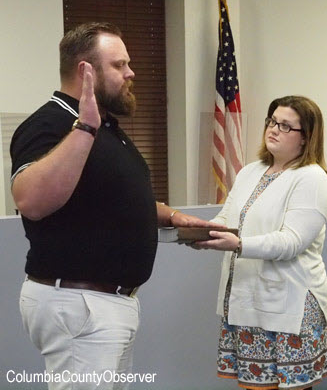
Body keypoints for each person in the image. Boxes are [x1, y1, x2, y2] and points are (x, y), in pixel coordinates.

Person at [10, 22, 214, 389]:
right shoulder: (51, 123)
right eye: (119, 65)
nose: (131, 72)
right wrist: (84, 128)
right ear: (85, 71)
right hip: (78, 303)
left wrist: (169, 216)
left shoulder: (106, 126)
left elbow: (110, 195)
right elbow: (31, 201)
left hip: (106, 304)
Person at [194, 95, 327, 390]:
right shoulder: (250, 171)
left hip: (290, 309)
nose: (273, 129)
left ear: (305, 137)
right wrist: (200, 231)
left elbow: (291, 242)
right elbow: (227, 218)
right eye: (272, 121)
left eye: (285, 126)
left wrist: (238, 244)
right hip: (246, 303)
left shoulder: (312, 178)